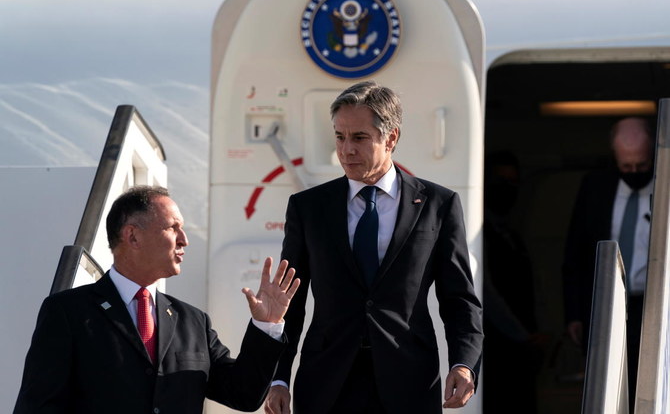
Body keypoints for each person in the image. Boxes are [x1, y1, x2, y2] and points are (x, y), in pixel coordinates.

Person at [265, 81, 484, 414]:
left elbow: (459, 300)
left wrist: (464, 362)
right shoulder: (308, 208)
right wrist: (278, 378)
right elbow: (288, 302)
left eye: (359, 138)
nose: (346, 150)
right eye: (340, 137)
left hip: (409, 382)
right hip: (326, 385)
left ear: (391, 137)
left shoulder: (438, 205)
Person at [14, 185, 300, 414]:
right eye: (172, 227)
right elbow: (38, 406)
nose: (184, 239)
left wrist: (266, 326)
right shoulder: (68, 312)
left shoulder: (194, 322)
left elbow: (244, 395)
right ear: (133, 236)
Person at [562, 116, 654, 404]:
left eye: (642, 165)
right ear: (615, 158)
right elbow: (576, 251)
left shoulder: (664, 187)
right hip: (606, 302)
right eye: (627, 166)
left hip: (652, 304)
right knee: (608, 387)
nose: (634, 171)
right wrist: (574, 313)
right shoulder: (596, 187)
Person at [482, 151, 542, 414]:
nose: (508, 190)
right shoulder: (479, 232)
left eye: (513, 183)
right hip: (496, 346)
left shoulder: (512, 235)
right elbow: (487, 292)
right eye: (500, 182)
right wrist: (522, 335)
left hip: (520, 347)